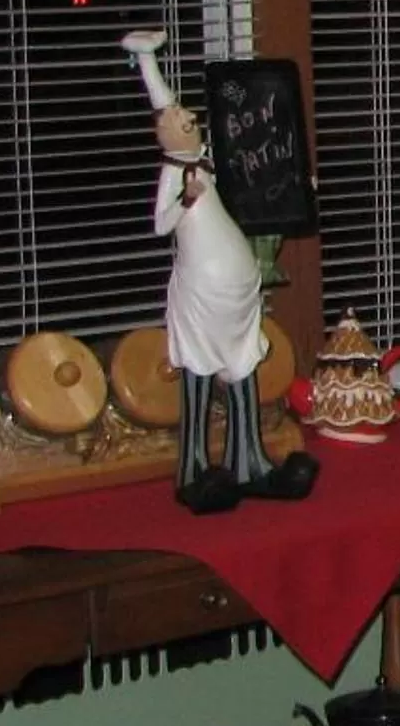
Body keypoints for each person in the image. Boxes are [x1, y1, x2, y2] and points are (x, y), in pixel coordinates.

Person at [123, 32, 318, 514]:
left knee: (243, 372)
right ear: (167, 134)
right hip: (202, 301)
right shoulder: (178, 172)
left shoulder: (203, 161)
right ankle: (193, 471)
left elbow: (165, 101)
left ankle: (248, 462)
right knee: (199, 376)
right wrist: (184, 202)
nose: (192, 121)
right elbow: (159, 223)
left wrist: (295, 184)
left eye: (191, 119)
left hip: (237, 296)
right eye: (184, 122)